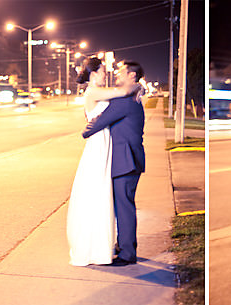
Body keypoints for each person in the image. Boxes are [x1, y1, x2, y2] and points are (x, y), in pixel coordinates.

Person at [66, 57, 139, 266]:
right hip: (99, 144)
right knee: (97, 192)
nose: (106, 74)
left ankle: (103, 245)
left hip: (105, 142)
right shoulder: (93, 91)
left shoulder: (97, 91)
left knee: (102, 193)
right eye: (103, 71)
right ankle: (94, 247)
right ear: (94, 73)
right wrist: (137, 85)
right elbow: (123, 92)